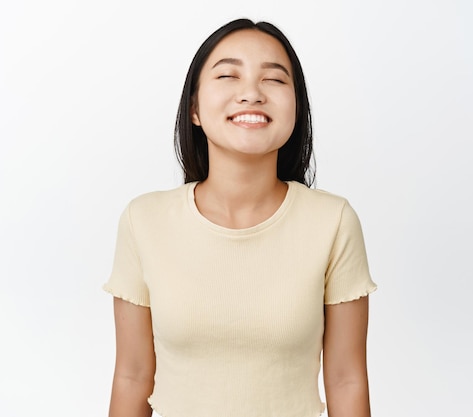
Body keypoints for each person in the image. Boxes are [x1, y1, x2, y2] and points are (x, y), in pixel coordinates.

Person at [103, 18, 377, 417]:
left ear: (297, 109)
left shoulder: (333, 222)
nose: (251, 93)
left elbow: (346, 379)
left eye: (274, 80)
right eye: (229, 75)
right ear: (194, 108)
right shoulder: (143, 220)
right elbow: (132, 375)